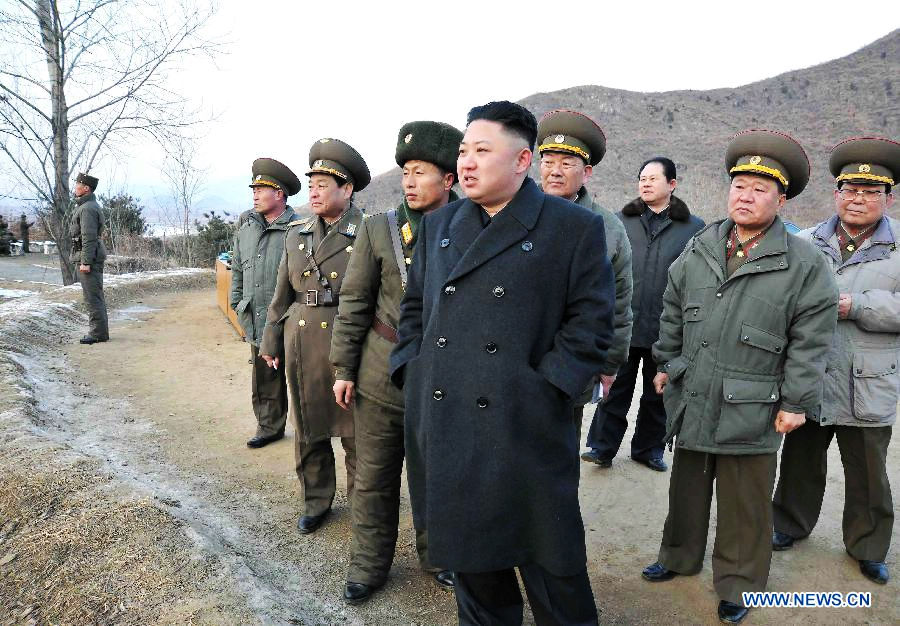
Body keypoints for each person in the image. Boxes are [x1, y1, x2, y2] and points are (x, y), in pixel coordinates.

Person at [390, 101, 615, 625]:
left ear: (521, 161)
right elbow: (416, 308)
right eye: (464, 151)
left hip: (525, 423)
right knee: (476, 568)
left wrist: (546, 390)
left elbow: (591, 324)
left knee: (552, 565)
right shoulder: (440, 224)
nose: (466, 163)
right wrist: (413, 368)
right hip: (450, 418)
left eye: (482, 151)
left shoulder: (572, 228)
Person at [641, 129, 838, 624]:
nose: (745, 196)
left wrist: (796, 402)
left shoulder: (804, 262)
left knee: (745, 501)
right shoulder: (702, 244)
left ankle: (740, 583)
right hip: (694, 387)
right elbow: (671, 304)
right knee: (685, 487)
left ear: (782, 198)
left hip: (754, 400)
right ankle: (678, 556)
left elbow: (811, 340)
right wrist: (667, 363)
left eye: (759, 189)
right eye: (739, 186)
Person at [330, 121, 462, 603]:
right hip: (380, 376)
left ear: (448, 179)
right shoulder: (378, 228)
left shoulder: (470, 226)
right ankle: (369, 564)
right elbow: (354, 302)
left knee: (437, 476)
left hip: (443, 378)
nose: (408, 180)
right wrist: (343, 369)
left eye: (420, 171)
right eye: (405, 170)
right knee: (374, 477)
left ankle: (439, 555)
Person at [772, 136, 899, 586]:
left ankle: (868, 546)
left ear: (888, 197)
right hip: (812, 373)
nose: (859, 199)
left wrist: (857, 305)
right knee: (801, 460)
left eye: (871, 192)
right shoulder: (805, 241)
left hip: (869, 380)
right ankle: (788, 524)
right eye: (850, 189)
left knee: (868, 472)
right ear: (836, 193)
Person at [260, 138, 370, 535]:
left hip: (351, 340)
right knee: (308, 425)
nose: (315, 191)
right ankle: (316, 499)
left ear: (348, 189)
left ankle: (364, 505)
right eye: (312, 184)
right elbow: (281, 294)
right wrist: (271, 339)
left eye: (325, 184)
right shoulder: (297, 234)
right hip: (301, 340)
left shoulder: (369, 232)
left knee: (357, 431)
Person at [582, 157, 704, 471]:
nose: (645, 183)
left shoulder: (693, 228)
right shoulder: (619, 220)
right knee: (614, 388)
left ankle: (649, 450)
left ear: (672, 184)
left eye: (653, 178)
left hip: (666, 325)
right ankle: (601, 447)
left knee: (658, 393)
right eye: (642, 178)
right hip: (624, 321)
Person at [536, 109, 633, 440]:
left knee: (556, 457)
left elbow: (619, 304)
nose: (555, 172)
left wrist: (610, 365)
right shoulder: (509, 211)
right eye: (548, 162)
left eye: (567, 163)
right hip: (509, 360)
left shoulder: (608, 228)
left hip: (569, 363)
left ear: (587, 172)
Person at [230, 158, 300, 448]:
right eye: (254, 189)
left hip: (291, 317)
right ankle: (269, 426)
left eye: (261, 189)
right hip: (257, 315)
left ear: (279, 194)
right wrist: (236, 302)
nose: (255, 195)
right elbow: (236, 269)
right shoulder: (246, 228)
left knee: (300, 375)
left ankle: (312, 427)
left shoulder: (298, 228)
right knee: (264, 376)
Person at [71, 172, 109, 344]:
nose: (75, 187)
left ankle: (97, 334)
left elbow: (88, 237)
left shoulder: (87, 209)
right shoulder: (88, 206)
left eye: (77, 184)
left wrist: (85, 262)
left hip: (90, 258)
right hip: (91, 256)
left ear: (86, 188)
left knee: (92, 297)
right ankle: (100, 332)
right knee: (94, 295)